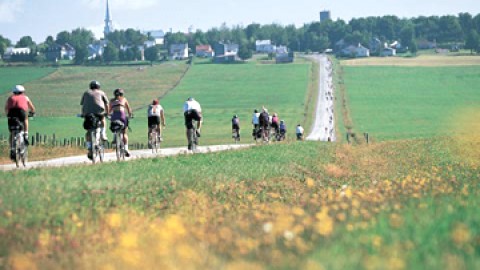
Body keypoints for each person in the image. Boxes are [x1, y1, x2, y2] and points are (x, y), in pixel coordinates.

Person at [80, 80, 109, 159]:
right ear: (98, 87)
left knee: (88, 132)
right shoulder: (101, 92)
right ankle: (103, 133)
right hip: (99, 113)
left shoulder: (86, 93)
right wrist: (107, 113)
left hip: (88, 114)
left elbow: (82, 104)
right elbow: (106, 103)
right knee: (103, 118)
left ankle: (89, 147)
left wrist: (83, 114)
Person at [5, 85, 36, 158]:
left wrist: (8, 116)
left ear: (13, 92)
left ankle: (12, 148)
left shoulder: (10, 98)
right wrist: (32, 113)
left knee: (12, 132)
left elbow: (6, 108)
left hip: (11, 114)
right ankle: (26, 133)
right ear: (22, 92)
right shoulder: (25, 97)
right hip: (21, 112)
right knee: (25, 119)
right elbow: (32, 108)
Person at [109, 88, 133, 157]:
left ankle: (114, 137)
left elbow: (109, 110)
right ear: (122, 94)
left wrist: (108, 114)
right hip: (122, 115)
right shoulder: (124, 99)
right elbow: (128, 109)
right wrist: (130, 115)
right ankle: (126, 148)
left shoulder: (111, 100)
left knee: (114, 125)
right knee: (124, 132)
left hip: (114, 116)